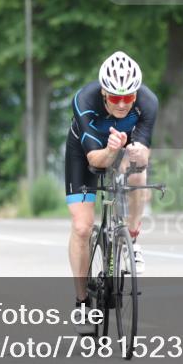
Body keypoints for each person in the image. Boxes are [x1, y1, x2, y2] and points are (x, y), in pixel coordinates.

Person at [66, 51, 157, 328]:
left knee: (138, 174)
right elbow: (96, 160)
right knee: (82, 227)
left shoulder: (148, 102)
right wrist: (110, 149)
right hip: (87, 153)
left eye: (128, 98)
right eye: (115, 98)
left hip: (122, 149)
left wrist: (138, 154)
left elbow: (143, 152)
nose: (122, 104)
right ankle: (82, 301)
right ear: (104, 92)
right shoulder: (84, 101)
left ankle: (132, 237)